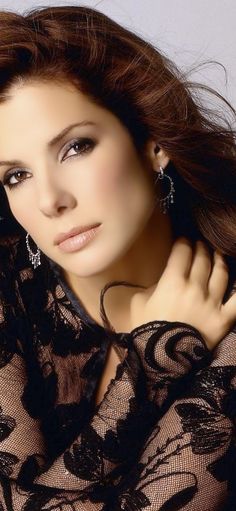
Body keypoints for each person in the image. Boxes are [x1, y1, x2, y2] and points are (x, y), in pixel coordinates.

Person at [0, 4, 236, 510]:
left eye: (75, 148)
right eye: (16, 175)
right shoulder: (9, 286)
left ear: (151, 143)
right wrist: (155, 363)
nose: (49, 201)